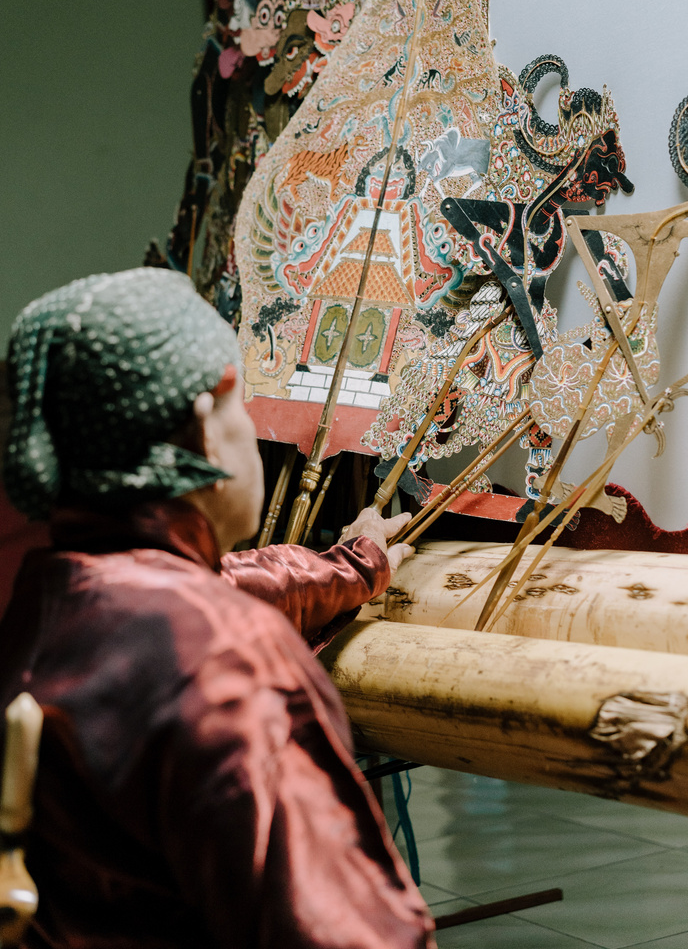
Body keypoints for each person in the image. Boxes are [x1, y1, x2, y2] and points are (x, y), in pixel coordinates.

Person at [0, 268, 435, 949]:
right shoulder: (227, 658)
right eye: (247, 415)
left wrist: (356, 563)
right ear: (209, 418)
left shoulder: (44, 600)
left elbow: (207, 587)